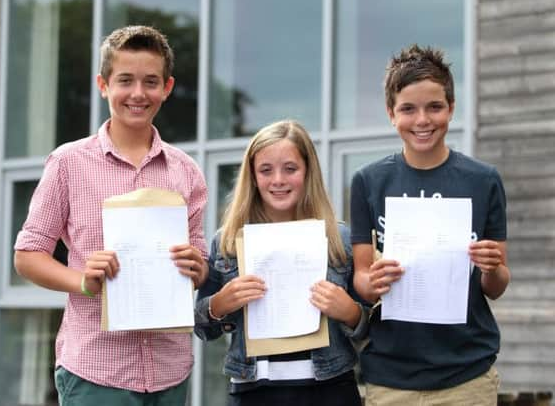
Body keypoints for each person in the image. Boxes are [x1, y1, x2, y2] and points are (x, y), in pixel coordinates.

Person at [14, 25, 208, 405]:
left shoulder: (186, 171)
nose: (138, 93)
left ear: (167, 88)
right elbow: (27, 255)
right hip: (96, 372)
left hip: (171, 371)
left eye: (151, 82)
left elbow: (199, 260)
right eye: (125, 80)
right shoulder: (68, 163)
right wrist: (83, 281)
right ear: (103, 85)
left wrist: (197, 268)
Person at [350, 44, 510, 405]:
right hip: (390, 377)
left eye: (434, 107)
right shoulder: (368, 182)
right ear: (392, 113)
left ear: (451, 108)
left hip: (467, 374)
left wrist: (493, 267)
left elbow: (496, 286)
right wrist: (371, 281)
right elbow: (361, 279)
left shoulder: (483, 181)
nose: (422, 120)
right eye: (408, 109)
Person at [195, 120, 367, 406]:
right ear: (252, 176)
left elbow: (371, 325)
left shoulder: (340, 238)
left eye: (290, 168)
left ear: (308, 171)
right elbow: (203, 328)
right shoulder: (226, 243)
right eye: (266, 170)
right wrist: (219, 304)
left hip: (330, 388)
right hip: (253, 391)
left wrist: (350, 312)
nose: (278, 180)